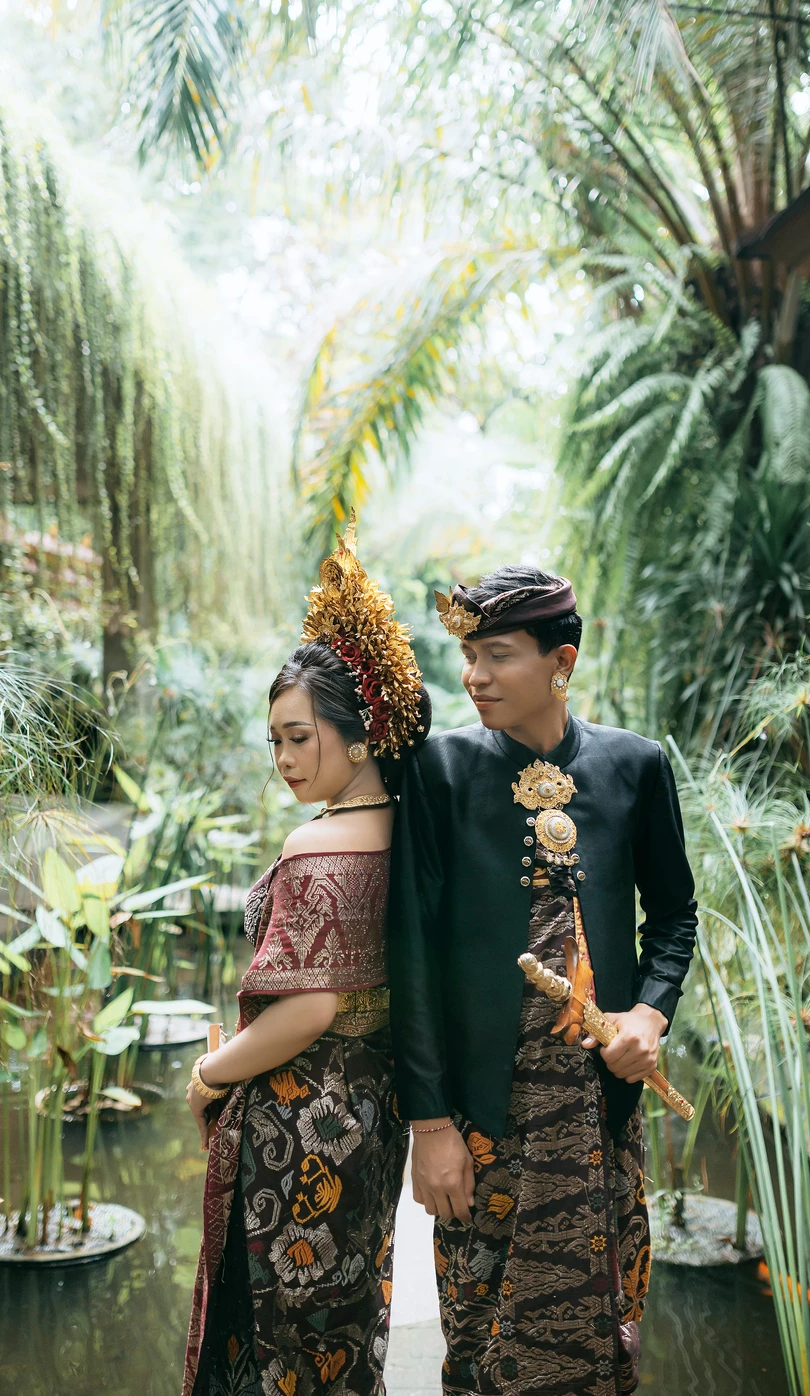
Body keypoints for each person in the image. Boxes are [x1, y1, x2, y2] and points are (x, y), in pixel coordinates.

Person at [388, 566, 697, 1396]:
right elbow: (410, 956)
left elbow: (673, 919)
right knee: (478, 1337)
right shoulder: (437, 770)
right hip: (478, 1118)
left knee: (600, 1330)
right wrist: (429, 1125)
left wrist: (648, 1015)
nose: (473, 676)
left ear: (560, 661)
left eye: (497, 655)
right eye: (468, 656)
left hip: (600, 1112)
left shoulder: (635, 765)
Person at [183, 518, 431, 1396]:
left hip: (301, 1124)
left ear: (360, 735)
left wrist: (209, 1075)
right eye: (276, 741)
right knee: (344, 1310)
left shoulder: (317, 847)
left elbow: (308, 1009)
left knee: (283, 1325)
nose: (285, 758)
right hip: (372, 1111)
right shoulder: (406, 831)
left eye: (299, 736)